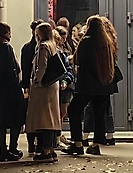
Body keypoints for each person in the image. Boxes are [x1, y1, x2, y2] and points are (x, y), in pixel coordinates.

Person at [63, 15, 118, 156]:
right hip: (104, 85)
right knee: (100, 114)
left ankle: (77, 143)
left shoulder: (86, 41)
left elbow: (77, 60)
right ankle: (96, 145)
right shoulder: (107, 43)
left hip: (87, 84)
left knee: (74, 110)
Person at [0, 22, 26, 162]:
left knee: (1, 121)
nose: (10, 35)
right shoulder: (6, 47)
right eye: (9, 32)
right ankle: (13, 148)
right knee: (16, 119)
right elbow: (15, 68)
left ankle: (2, 150)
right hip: (11, 89)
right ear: (5, 33)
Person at [26, 22, 62, 162]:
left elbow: (42, 66)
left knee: (44, 118)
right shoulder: (53, 45)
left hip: (43, 87)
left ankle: (46, 151)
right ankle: (51, 149)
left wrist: (37, 80)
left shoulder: (43, 46)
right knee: (51, 118)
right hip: (52, 85)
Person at [20, 20, 41, 155]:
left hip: (30, 84)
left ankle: (31, 143)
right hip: (38, 85)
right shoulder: (41, 47)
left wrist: (25, 86)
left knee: (31, 115)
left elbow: (24, 69)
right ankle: (37, 143)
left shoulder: (27, 48)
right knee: (38, 115)